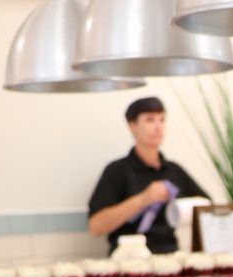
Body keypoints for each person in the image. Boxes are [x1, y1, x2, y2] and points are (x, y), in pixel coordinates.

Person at [88, 97, 208, 254]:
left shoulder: (174, 171)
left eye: (162, 120)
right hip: (129, 260)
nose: (158, 127)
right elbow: (96, 226)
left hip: (170, 257)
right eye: (150, 120)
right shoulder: (117, 171)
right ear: (132, 125)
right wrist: (144, 199)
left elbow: (208, 210)